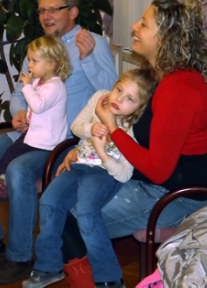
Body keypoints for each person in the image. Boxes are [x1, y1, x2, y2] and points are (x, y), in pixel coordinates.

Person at [0, 0, 118, 285]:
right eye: (42, 10)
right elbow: (19, 92)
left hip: (64, 141)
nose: (46, 16)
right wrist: (18, 112)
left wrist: (88, 59)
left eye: (54, 9)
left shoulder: (92, 42)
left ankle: (19, 257)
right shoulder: (39, 47)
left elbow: (112, 94)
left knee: (19, 170)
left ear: (73, 11)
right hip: (29, 135)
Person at [58, 0, 207, 288]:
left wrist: (110, 126)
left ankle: (105, 283)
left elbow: (158, 170)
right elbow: (134, 137)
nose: (134, 26)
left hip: (172, 195)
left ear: (166, 37)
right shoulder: (156, 76)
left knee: (64, 214)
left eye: (144, 24)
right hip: (144, 180)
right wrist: (84, 154)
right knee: (59, 198)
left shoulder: (180, 88)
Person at [22, 69, 156, 288]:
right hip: (78, 165)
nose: (118, 99)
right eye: (119, 89)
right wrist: (91, 128)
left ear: (139, 107)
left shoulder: (132, 129)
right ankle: (49, 266)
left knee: (86, 212)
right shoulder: (100, 98)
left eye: (129, 99)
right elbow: (76, 126)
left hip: (103, 173)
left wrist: (103, 151)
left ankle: (109, 278)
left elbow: (124, 174)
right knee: (48, 202)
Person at [0, 35, 71, 201]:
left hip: (47, 142)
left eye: (34, 61)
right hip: (35, 135)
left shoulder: (55, 86)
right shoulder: (40, 82)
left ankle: (1, 185)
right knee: (10, 153)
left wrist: (27, 86)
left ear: (51, 64)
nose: (29, 65)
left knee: (14, 159)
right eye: (29, 60)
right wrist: (27, 120)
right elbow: (35, 111)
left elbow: (38, 105)